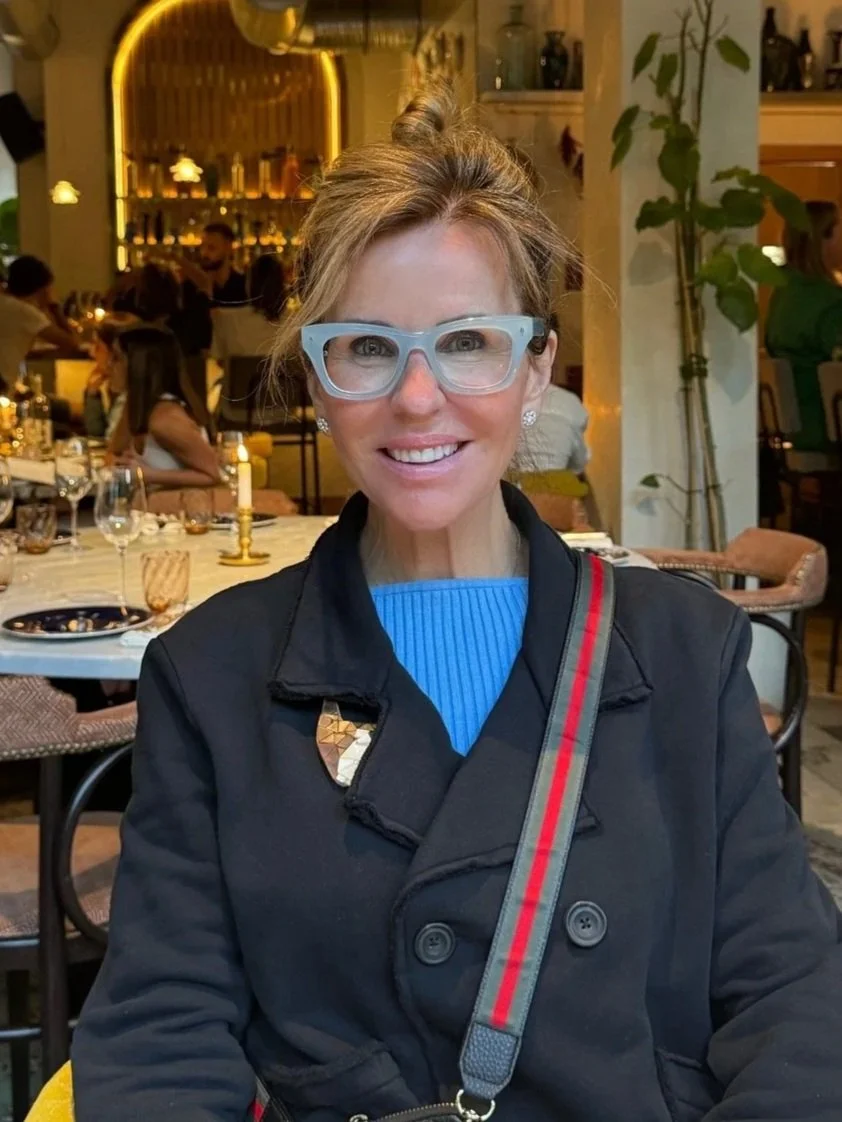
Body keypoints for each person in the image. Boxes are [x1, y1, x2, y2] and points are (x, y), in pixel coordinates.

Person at [72, 84, 842, 1121]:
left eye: (468, 341)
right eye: (367, 346)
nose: (417, 397)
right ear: (316, 379)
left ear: (536, 372)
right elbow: (160, 1036)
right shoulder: (213, 675)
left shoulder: (681, 649)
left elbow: (794, 997)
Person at [765, 199, 842, 451]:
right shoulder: (828, 301)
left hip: (795, 425)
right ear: (824, 238)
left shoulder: (784, 290)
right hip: (827, 425)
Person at [108, 325, 219, 490]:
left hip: (181, 511)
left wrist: (147, 475)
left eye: (117, 358)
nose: (109, 365)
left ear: (138, 366)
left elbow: (213, 473)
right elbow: (114, 453)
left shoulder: (166, 420)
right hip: (147, 510)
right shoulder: (136, 408)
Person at [0, 255, 80, 387]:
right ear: (42, 289)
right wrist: (54, 307)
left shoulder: (5, 303)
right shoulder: (25, 312)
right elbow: (72, 343)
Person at [110, 262, 213, 356]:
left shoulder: (132, 334)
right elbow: (205, 283)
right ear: (176, 292)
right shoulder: (192, 321)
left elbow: (109, 299)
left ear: (140, 299)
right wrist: (174, 258)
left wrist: (131, 276)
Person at [211, 252, 287, 362]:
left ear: (249, 284)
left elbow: (219, 361)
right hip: (280, 379)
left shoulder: (225, 318)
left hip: (239, 379)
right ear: (282, 285)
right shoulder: (297, 322)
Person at [83, 319, 126, 440]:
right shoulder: (116, 388)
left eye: (97, 346)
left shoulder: (132, 396)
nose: (92, 353)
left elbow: (110, 444)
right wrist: (92, 393)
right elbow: (97, 433)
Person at [198, 222, 247, 305]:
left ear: (228, 248)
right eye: (202, 247)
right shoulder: (194, 285)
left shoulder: (244, 286)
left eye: (211, 248)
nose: (204, 253)